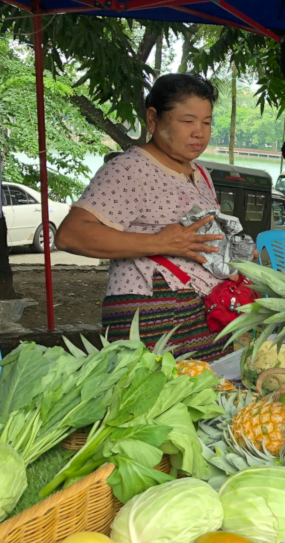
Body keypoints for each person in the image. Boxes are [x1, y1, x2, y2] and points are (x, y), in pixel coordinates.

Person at [56, 73, 239, 361]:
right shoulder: (129, 169)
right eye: (187, 121)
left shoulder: (200, 173)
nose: (199, 133)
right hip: (152, 313)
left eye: (206, 122)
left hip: (203, 315)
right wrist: (160, 242)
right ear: (153, 119)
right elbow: (71, 234)